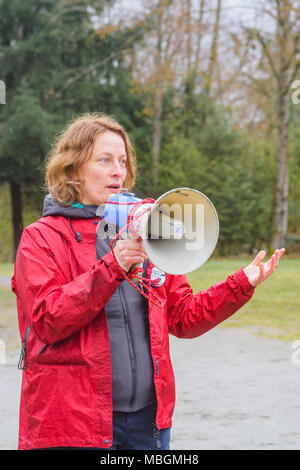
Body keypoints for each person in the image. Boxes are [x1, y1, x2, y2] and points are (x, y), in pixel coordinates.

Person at [11, 112, 285, 451]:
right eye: (105, 160)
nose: (118, 170)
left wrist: (241, 284)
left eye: (123, 161)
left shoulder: (146, 229)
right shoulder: (41, 238)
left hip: (146, 424)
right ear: (72, 169)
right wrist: (114, 266)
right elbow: (46, 320)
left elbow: (183, 317)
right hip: (73, 425)